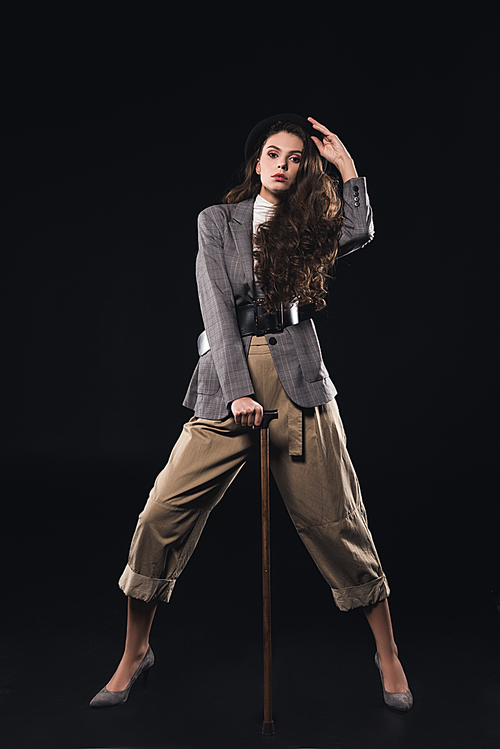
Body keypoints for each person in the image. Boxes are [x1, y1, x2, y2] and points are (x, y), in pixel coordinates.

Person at [89, 113, 413, 712]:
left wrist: (347, 171)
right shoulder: (217, 222)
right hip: (226, 381)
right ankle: (135, 652)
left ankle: (388, 655)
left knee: (338, 522)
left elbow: (359, 230)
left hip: (299, 380)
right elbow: (215, 306)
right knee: (162, 512)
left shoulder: (310, 223)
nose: (283, 166)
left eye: (295, 158)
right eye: (273, 154)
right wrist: (239, 390)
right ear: (255, 163)